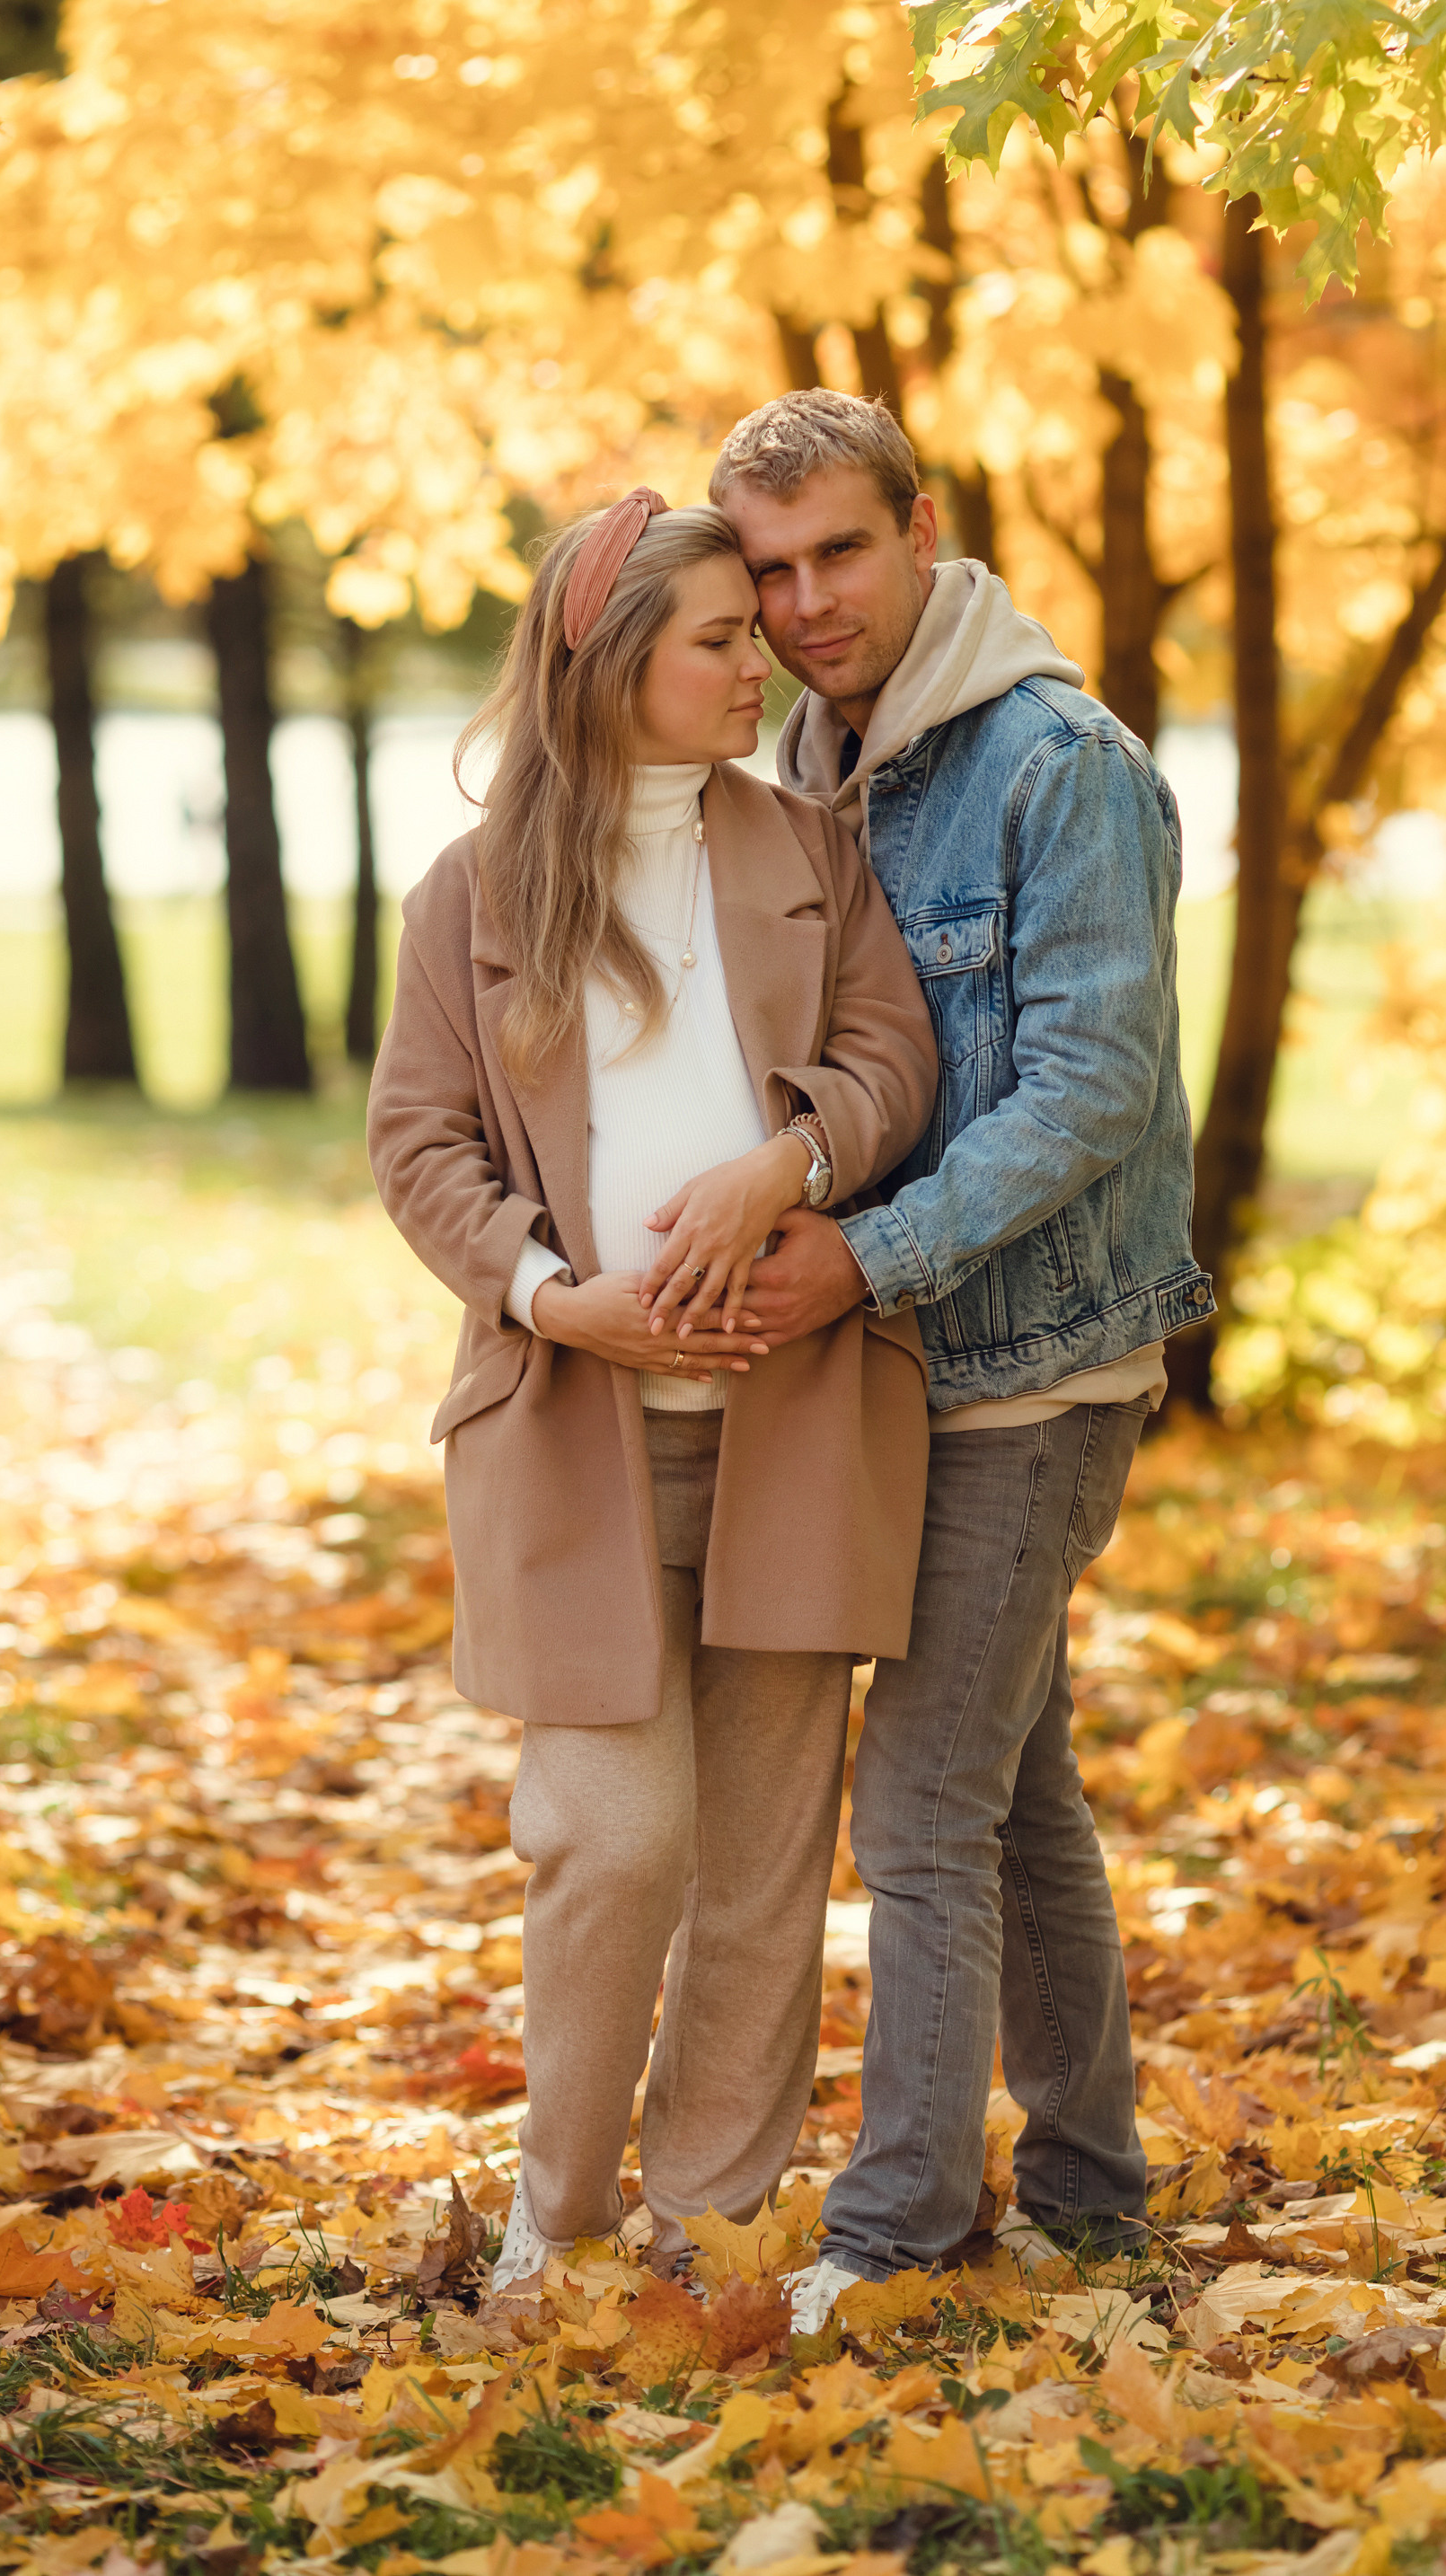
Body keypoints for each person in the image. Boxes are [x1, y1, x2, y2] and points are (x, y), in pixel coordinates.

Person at [366, 490, 937, 2296]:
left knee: (766, 1866)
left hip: (796, 1423)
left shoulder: (807, 846)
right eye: (718, 635)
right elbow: (419, 1142)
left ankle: (710, 2227)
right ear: (615, 664)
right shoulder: (476, 891)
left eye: (756, 628)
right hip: (573, 1436)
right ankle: (562, 2210)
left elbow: (890, 1059)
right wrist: (561, 1299)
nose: (758, 655)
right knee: (617, 1839)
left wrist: (790, 1162)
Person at [696, 392, 1212, 2331]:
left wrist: (864, 1255)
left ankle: (896, 2234)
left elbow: (1091, 1087)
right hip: (915, 1356)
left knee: (917, 1801)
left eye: (840, 550)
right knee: (1017, 1793)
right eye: (769, 570)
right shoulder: (831, 755)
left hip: (1037, 1366)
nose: (809, 600)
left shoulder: (1053, 764)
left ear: (924, 527)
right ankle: (1088, 2183)